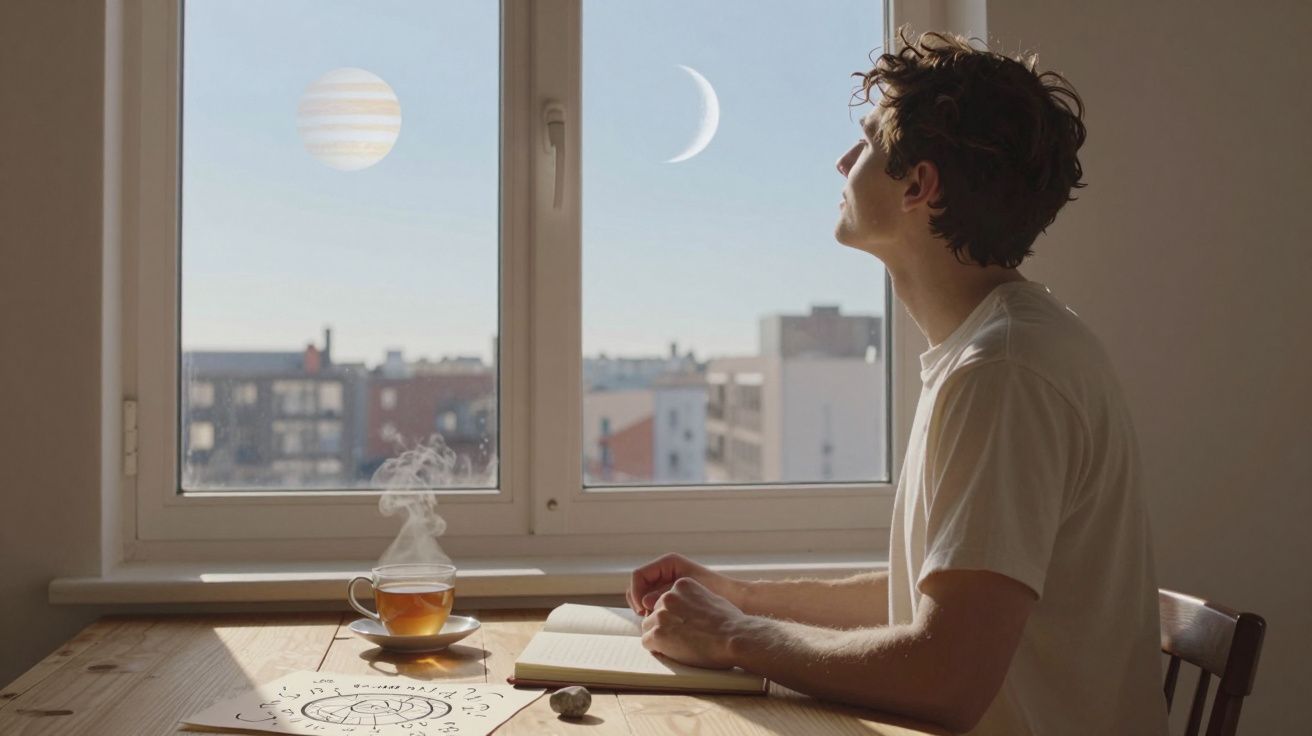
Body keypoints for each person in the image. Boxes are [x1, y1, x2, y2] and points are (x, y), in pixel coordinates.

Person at [626, 30, 1169, 736]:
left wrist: (733, 636)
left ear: (919, 185)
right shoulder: (992, 348)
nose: (844, 162)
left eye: (867, 143)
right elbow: (946, 597)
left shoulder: (1005, 372)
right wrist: (742, 598)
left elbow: (944, 676)